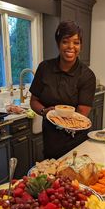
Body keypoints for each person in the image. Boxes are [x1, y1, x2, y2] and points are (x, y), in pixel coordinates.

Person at [29, 20, 96, 159]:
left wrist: (59, 118)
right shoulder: (44, 68)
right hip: (50, 139)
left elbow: (82, 114)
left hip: (76, 140)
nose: (71, 47)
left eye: (76, 42)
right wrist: (44, 111)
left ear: (81, 45)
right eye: (65, 41)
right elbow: (34, 101)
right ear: (58, 43)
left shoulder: (87, 75)